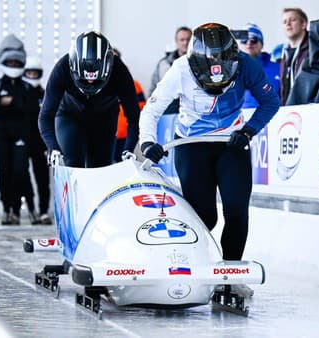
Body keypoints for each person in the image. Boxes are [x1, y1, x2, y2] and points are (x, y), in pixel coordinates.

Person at [139, 23, 280, 296]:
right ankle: (195, 267)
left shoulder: (245, 65)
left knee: (236, 209)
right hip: (192, 146)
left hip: (231, 143)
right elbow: (152, 109)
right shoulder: (179, 69)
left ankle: (231, 273)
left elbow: (270, 101)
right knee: (204, 215)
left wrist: (249, 130)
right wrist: (147, 141)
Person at [38, 31, 140, 168]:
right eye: (85, 80)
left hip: (105, 118)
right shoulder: (62, 68)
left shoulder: (119, 71)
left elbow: (134, 117)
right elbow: (45, 116)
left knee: (100, 167)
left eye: (95, 80)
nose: (90, 83)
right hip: (70, 116)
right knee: (72, 164)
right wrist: (53, 148)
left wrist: (128, 149)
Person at [0, 34, 32, 225]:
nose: (13, 65)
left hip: (21, 133)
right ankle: (6, 209)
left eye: (16, 62)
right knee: (3, 171)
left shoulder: (27, 87)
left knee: (20, 171)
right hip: (1, 134)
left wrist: (10, 103)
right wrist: (13, 105)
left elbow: (28, 108)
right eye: (10, 62)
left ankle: (16, 209)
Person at [22, 56, 52, 224]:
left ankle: (43, 211)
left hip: (41, 142)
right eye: (30, 73)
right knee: (23, 177)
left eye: (35, 73)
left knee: (42, 178)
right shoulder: (21, 93)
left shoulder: (44, 93)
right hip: (23, 142)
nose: (32, 76)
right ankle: (31, 208)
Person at [112, 49, 146, 162]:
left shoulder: (133, 85)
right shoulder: (94, 86)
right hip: (104, 135)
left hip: (124, 136)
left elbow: (141, 109)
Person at [149, 26, 192, 115]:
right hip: (168, 114)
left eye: (188, 39)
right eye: (182, 39)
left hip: (192, 114)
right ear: (176, 42)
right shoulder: (163, 64)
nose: (185, 43)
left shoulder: (201, 64)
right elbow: (154, 90)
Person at [239, 23, 281, 108]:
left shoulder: (279, 68)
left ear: (261, 44)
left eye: (253, 39)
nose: (249, 43)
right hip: (238, 119)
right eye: (244, 40)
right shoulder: (230, 70)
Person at [280, 7, 309, 106]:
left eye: (292, 20)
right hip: (291, 111)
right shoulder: (285, 53)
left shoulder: (313, 49)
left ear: (304, 24)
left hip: (309, 108)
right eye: (284, 22)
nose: (288, 24)